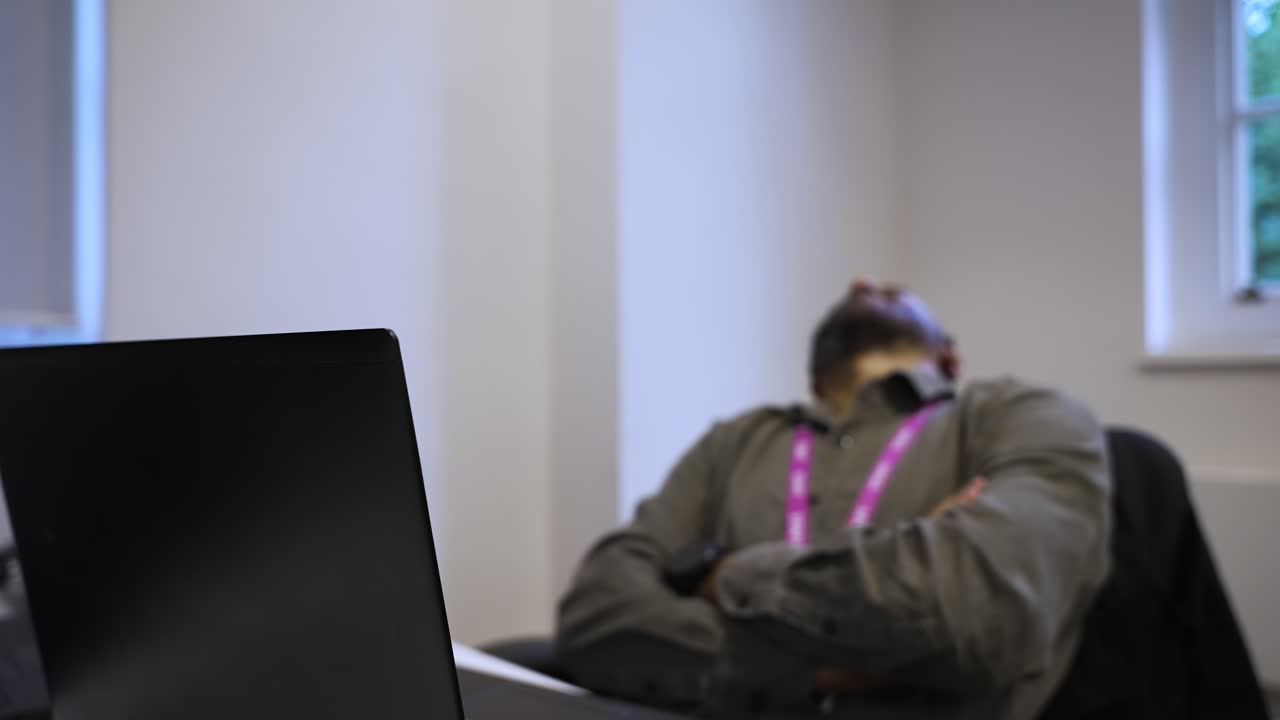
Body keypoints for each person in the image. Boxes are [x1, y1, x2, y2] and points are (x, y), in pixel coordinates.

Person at [555, 282, 1112, 719]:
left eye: (892, 288)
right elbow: (598, 611)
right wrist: (828, 666)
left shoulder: (1022, 416)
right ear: (814, 379)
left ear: (949, 361)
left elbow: (976, 611)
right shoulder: (735, 441)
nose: (861, 282)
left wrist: (722, 573)